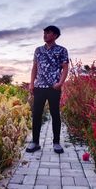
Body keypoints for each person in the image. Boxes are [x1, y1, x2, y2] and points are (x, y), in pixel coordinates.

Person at [26, 25, 69, 154]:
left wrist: (60, 83)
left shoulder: (62, 50)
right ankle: (35, 142)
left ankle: (56, 143)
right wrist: (31, 83)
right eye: (44, 32)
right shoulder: (38, 50)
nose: (44, 35)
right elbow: (35, 67)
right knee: (37, 114)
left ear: (55, 35)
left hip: (53, 88)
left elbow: (65, 68)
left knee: (55, 114)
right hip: (39, 87)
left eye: (48, 33)